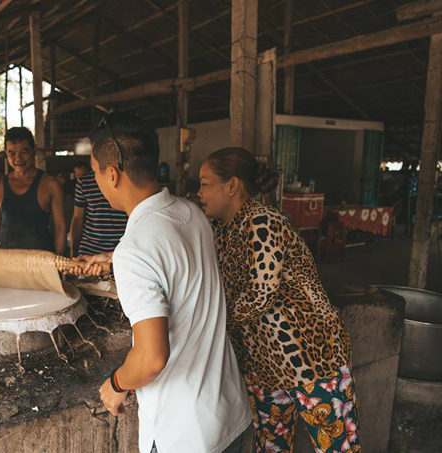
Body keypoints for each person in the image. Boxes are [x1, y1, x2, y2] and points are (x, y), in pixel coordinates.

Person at [73, 114, 251, 453]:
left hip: (185, 435)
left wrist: (116, 383)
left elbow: (152, 357)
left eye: (96, 171)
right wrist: (113, 257)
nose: (96, 180)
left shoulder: (135, 248)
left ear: (112, 174)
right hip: (231, 413)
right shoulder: (192, 214)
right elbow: (171, 256)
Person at [197, 147, 359, 453]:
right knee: (270, 447)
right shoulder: (220, 231)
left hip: (313, 358)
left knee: (338, 447)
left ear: (231, 185)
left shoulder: (262, 222)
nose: (198, 192)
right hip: (263, 364)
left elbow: (260, 294)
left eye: (205, 183)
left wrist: (208, 323)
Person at [0, 127, 66, 255]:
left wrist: (60, 265)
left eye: (24, 152)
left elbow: (60, 227)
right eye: (12, 154)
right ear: (6, 153)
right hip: (6, 264)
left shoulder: (50, 184)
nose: (18, 158)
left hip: (41, 264)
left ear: (34, 150)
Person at [70, 162, 128, 257]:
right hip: (89, 251)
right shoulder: (84, 182)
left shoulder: (127, 181)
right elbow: (77, 218)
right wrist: (73, 251)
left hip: (119, 252)